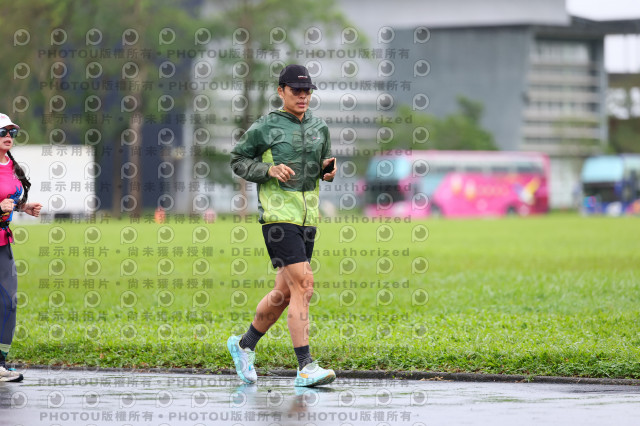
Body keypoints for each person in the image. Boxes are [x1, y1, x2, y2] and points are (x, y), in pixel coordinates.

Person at [228, 64, 337, 387]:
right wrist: (268, 171)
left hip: (308, 218)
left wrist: (328, 171)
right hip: (278, 217)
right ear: (281, 91)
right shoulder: (266, 127)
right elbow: (238, 160)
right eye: (295, 90)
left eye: (307, 91)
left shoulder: (319, 127)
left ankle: (244, 345)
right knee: (305, 285)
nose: (303, 96)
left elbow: (324, 165)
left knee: (284, 293)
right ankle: (305, 367)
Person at [0, 113, 42, 382]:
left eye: (12, 133)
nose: (8, 137)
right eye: (2, 132)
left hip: (3, 242)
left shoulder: (11, 165)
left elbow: (8, 200)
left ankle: (0, 362)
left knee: (8, 302)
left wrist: (23, 207)